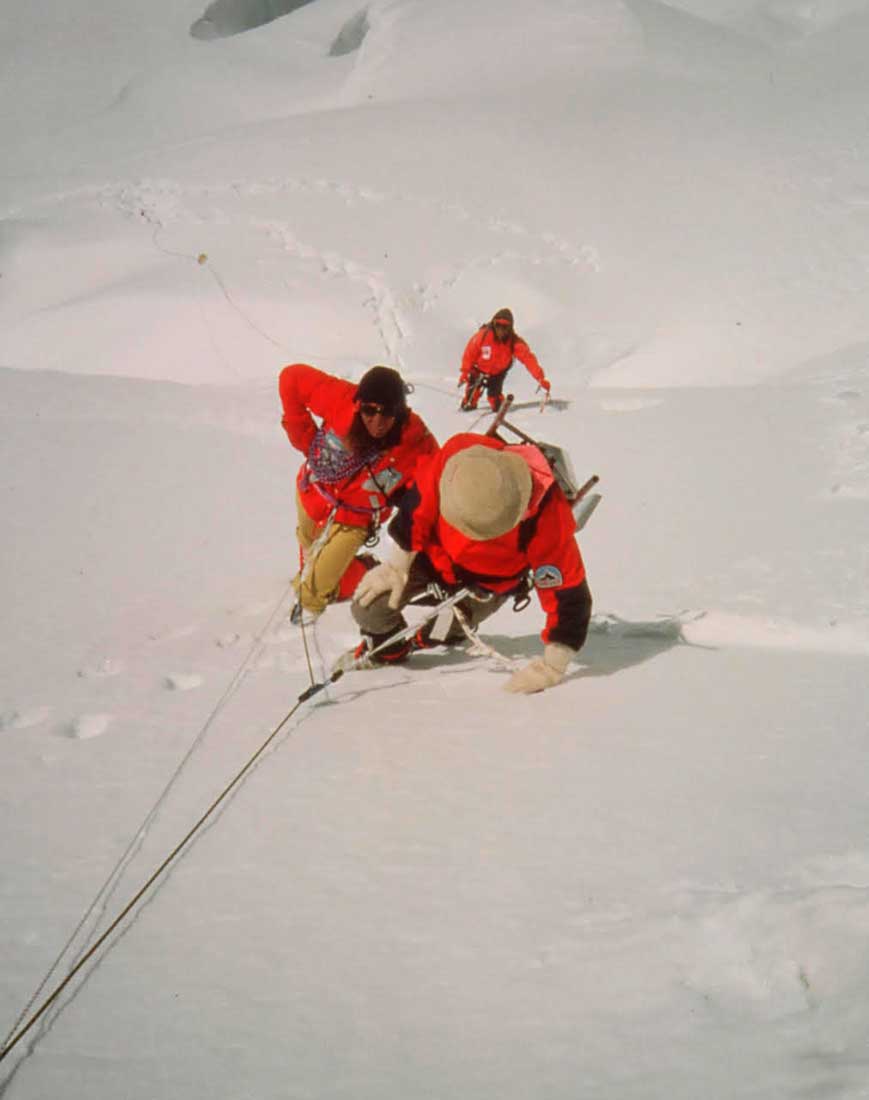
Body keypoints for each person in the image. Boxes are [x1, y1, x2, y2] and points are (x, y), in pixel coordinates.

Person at [351, 432, 592, 694]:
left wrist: (552, 666)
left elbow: (569, 596)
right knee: (369, 609)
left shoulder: (548, 519)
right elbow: (418, 504)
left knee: (439, 633)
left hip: (484, 588)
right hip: (433, 559)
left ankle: (444, 632)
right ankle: (390, 651)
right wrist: (397, 565)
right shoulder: (462, 456)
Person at [279, 363, 438, 617]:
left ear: (400, 411)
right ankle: (349, 569)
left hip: (355, 519)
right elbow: (291, 378)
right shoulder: (341, 397)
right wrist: (304, 437)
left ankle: (311, 605)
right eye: (369, 411)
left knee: (314, 588)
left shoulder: (415, 439)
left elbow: (433, 482)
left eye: (387, 413)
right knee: (308, 545)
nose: (377, 421)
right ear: (359, 404)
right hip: (313, 493)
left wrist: (404, 496)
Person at [458, 308, 551, 412]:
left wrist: (540, 378)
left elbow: (528, 358)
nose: (501, 329)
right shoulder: (483, 336)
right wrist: (465, 372)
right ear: (493, 324)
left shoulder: (515, 342)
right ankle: (468, 405)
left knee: (495, 399)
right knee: (470, 398)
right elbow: (469, 353)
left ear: (510, 328)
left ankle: (498, 405)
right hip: (478, 370)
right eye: (498, 325)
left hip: (497, 373)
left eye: (505, 326)